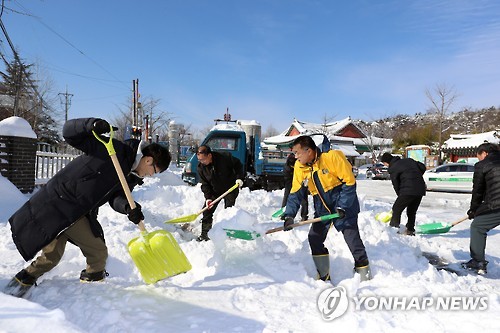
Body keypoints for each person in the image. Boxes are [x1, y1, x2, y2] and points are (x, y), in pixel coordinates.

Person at [7, 118, 171, 295]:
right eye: (154, 171)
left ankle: (19, 285)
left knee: (56, 256)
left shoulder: (130, 175)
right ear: (148, 160)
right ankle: (90, 293)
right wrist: (90, 125)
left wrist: (128, 208)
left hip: (77, 210)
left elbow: (117, 197)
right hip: (61, 203)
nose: (151, 176)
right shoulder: (112, 150)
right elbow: (69, 133)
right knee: (93, 253)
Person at [282, 136, 371, 282]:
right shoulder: (300, 166)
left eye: (297, 152)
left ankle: (363, 272)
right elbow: (296, 192)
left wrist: (342, 206)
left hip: (344, 202)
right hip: (322, 205)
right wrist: (289, 215)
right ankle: (324, 274)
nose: (295, 156)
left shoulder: (332, 157)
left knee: (352, 239)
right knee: (314, 238)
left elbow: (349, 183)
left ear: (308, 151)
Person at [462, 142, 500, 274]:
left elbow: (478, 191)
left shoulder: (482, 165)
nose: (479, 159)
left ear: (484, 153)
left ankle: (477, 261)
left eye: (478, 156)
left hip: (497, 204)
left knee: (478, 227)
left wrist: (474, 210)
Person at [196, 145, 244, 241]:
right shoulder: (201, 168)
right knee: (207, 211)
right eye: (200, 160)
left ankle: (229, 235)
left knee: (228, 212)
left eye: (203, 160)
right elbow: (205, 184)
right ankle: (205, 235)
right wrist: (208, 198)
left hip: (230, 188)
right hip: (215, 191)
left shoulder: (224, 158)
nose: (202, 162)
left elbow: (238, 165)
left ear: (209, 155)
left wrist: (239, 178)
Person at [381, 152, 426, 236]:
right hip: (420, 188)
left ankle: (394, 230)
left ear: (386, 162)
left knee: (396, 208)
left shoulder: (393, 168)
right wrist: (416, 176)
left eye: (384, 163)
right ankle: (410, 230)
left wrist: (400, 195)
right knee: (411, 211)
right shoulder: (408, 160)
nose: (385, 165)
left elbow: (396, 184)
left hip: (408, 190)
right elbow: (422, 167)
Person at [282, 153, 308, 221]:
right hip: (290, 180)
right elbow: (286, 173)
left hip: (301, 180)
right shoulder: (288, 165)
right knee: (287, 196)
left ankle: (304, 215)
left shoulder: (301, 160)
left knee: (303, 199)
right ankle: (285, 213)